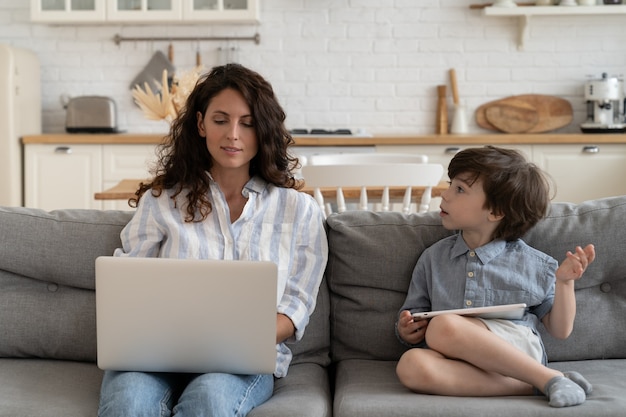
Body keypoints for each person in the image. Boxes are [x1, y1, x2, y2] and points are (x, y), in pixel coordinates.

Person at [98, 63, 328, 417]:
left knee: (209, 399)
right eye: (221, 120)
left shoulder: (299, 211)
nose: (233, 134)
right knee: (129, 402)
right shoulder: (163, 200)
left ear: (262, 129)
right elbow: (124, 283)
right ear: (201, 123)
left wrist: (237, 337)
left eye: (247, 123)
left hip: (241, 362)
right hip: (154, 354)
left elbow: (296, 307)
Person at [395, 146, 596, 408]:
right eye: (450, 184)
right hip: (458, 359)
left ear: (495, 212)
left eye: (460, 190)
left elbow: (560, 330)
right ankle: (547, 383)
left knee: (445, 325)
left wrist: (565, 282)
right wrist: (406, 330)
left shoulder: (535, 264)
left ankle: (540, 376)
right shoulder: (432, 258)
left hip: (517, 353)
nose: (444, 195)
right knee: (411, 365)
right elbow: (415, 315)